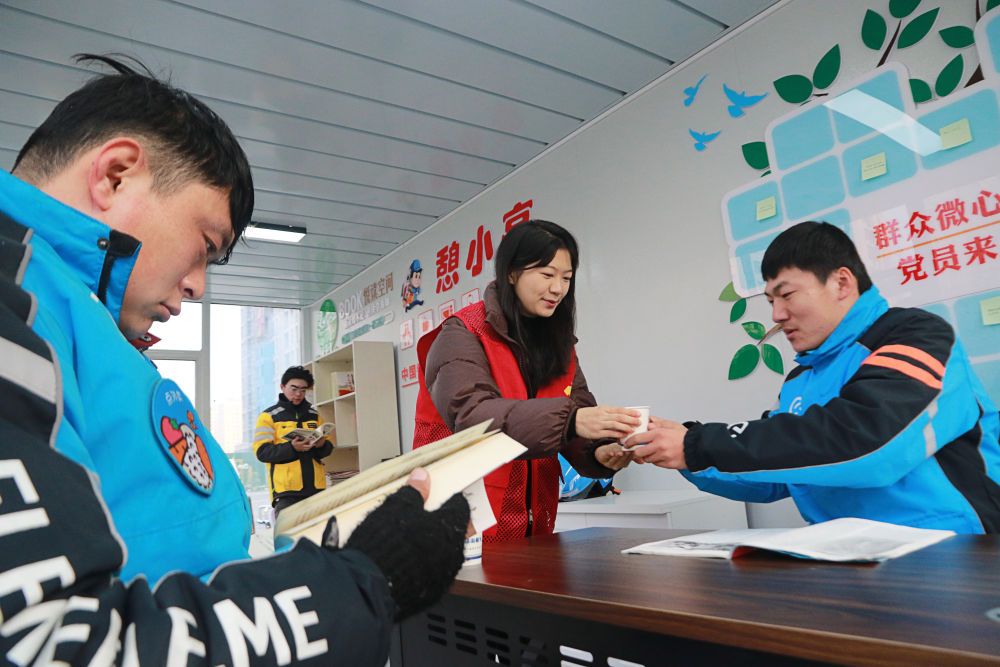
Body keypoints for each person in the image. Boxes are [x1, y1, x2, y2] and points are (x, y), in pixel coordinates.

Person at [0, 53, 469, 664]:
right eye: (204, 245)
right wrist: (358, 581)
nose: (198, 285)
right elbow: (46, 644)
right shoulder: (16, 300)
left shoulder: (67, 314)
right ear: (115, 175)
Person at [625, 221, 1000, 533]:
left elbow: (867, 442)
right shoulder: (799, 378)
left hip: (952, 550)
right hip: (844, 556)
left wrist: (696, 445)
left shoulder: (916, 335)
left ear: (841, 283)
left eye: (786, 294)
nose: (776, 315)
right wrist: (677, 446)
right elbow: (776, 474)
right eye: (770, 301)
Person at [413, 219, 638, 542]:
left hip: (534, 527)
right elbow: (473, 418)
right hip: (462, 529)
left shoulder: (559, 346)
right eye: (547, 275)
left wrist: (599, 453)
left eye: (567, 278)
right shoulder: (462, 334)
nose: (558, 288)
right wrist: (572, 420)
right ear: (511, 273)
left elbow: (574, 423)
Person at [255, 366, 333, 518]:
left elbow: (328, 449)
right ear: (282, 387)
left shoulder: (314, 415)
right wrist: (292, 447)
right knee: (288, 533)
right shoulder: (268, 416)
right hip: (286, 493)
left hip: (316, 490)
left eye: (303, 390)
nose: (298, 394)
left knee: (319, 532)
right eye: (294, 389)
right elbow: (262, 452)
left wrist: (322, 444)